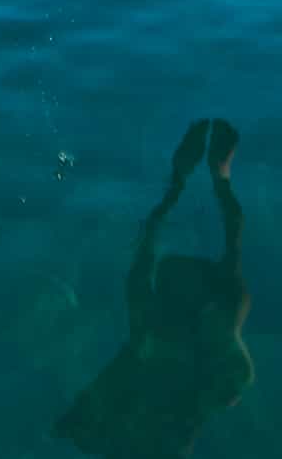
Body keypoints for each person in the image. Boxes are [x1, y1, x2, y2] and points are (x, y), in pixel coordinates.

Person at [53, 119, 253, 457]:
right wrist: (215, 176)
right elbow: (228, 242)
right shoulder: (220, 344)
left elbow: (150, 241)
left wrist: (182, 179)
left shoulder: (150, 324)